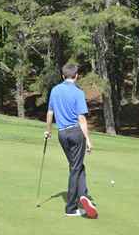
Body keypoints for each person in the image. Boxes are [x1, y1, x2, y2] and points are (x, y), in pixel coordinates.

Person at [45, 63, 98, 218]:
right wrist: (88, 139)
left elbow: (50, 113)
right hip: (75, 132)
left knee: (76, 165)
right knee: (75, 168)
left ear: (63, 76)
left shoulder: (55, 90)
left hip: (62, 134)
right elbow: (81, 118)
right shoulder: (78, 92)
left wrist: (48, 131)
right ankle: (71, 207)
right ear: (76, 76)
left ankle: (83, 195)